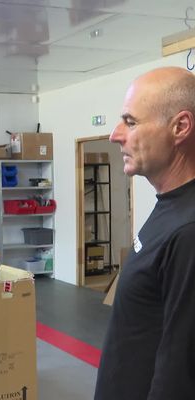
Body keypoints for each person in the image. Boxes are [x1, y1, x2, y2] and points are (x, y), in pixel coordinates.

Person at [94, 66, 195, 399]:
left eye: (131, 122)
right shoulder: (171, 206)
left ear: (180, 127)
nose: (115, 134)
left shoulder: (188, 231)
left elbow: (180, 371)